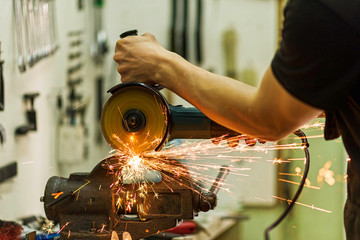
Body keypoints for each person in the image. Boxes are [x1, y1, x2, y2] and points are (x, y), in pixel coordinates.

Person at [113, 0, 360, 238]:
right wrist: (243, 114)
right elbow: (308, 96)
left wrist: (160, 65)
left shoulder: (323, 7)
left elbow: (268, 118)